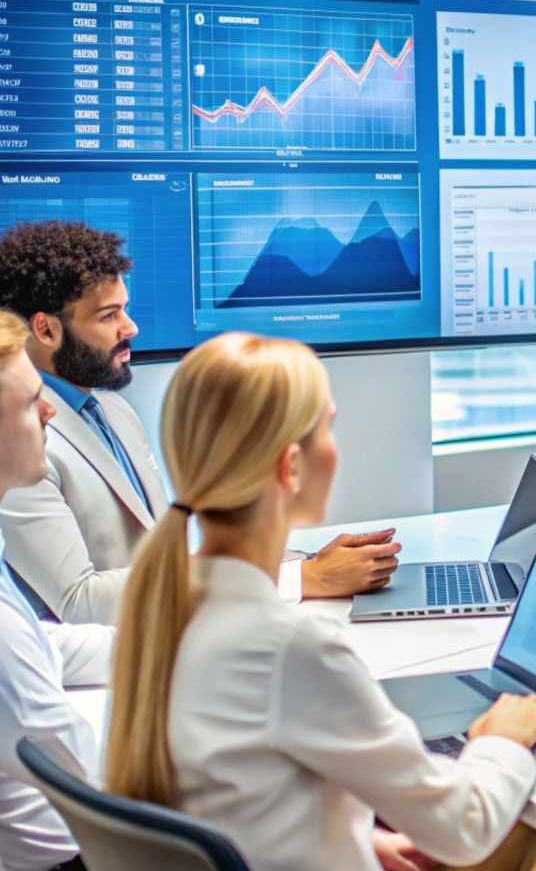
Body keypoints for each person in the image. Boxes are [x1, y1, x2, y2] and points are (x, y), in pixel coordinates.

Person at [101, 332, 536, 871]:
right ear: (290, 466)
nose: (336, 450)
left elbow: (224, 796)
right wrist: (501, 738)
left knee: (514, 827)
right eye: (328, 430)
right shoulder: (292, 647)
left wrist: (352, 839)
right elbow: (463, 826)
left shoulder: (164, 608)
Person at [0, 221, 401, 624]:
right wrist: (293, 579)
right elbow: (79, 602)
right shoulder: (19, 445)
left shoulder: (113, 411)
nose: (131, 328)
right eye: (109, 316)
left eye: (125, 308)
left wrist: (299, 564)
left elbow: (165, 561)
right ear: (46, 329)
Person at [0, 308, 114, 871]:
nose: (49, 412)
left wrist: (159, 651)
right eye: (29, 404)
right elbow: (83, 777)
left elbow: (39, 642)